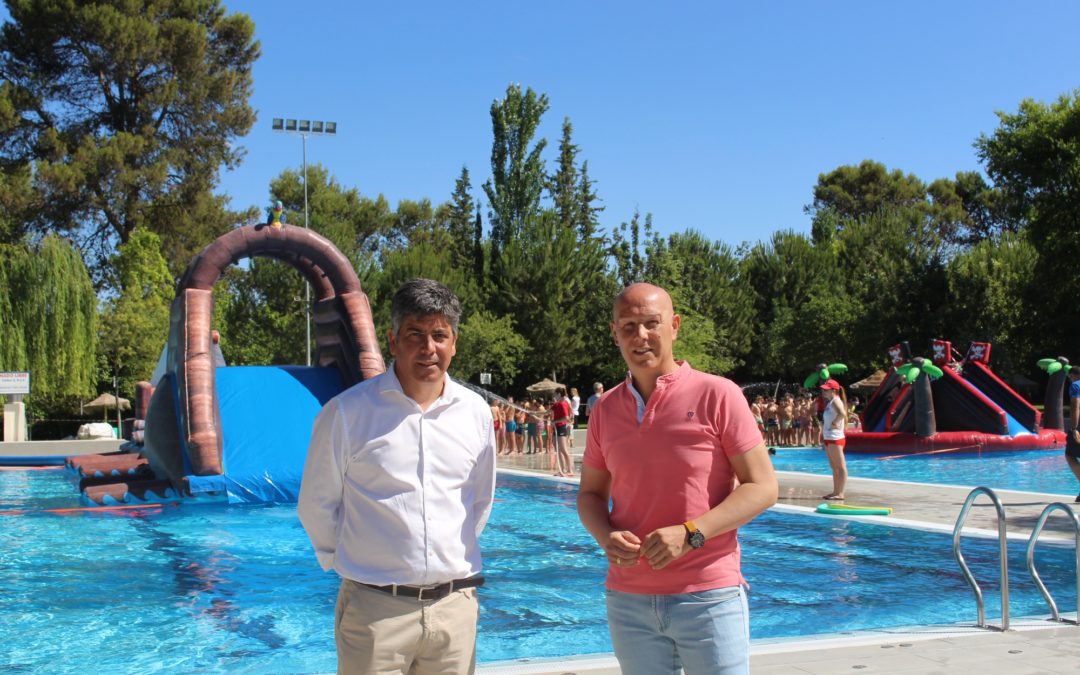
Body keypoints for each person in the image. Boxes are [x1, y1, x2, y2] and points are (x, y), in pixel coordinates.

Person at [576, 282, 778, 675]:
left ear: (675, 326)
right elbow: (589, 494)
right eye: (629, 326)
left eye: (652, 323)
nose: (641, 336)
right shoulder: (605, 410)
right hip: (628, 599)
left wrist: (692, 533)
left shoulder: (718, 395)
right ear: (614, 333)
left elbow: (763, 486)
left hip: (708, 596)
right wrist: (604, 536)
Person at [297, 278, 496, 674]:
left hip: (454, 610)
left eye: (440, 335)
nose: (428, 348)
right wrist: (360, 567)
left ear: (454, 342)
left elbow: (478, 502)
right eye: (415, 334)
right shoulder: (347, 413)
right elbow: (317, 506)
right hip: (375, 613)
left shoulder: (475, 414)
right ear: (392, 340)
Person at [820, 378, 848, 501]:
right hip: (829, 437)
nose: (823, 392)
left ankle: (840, 493)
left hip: (835, 437)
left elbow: (842, 413)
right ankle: (835, 491)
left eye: (826, 390)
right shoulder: (831, 402)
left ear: (834, 390)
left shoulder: (836, 401)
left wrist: (835, 423)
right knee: (834, 467)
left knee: (840, 467)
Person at [550, 387, 575, 477]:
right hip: (556, 428)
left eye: (555, 394)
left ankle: (570, 470)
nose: (554, 396)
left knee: (563, 450)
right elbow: (547, 412)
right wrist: (532, 413)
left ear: (559, 394)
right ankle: (562, 470)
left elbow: (566, 417)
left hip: (561, 428)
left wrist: (555, 422)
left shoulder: (563, 404)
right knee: (558, 450)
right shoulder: (556, 404)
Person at [1067, 366, 1080, 502]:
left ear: (1074, 375)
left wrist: (1074, 428)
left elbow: (1076, 405)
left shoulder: (1075, 386)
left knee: (1069, 455)